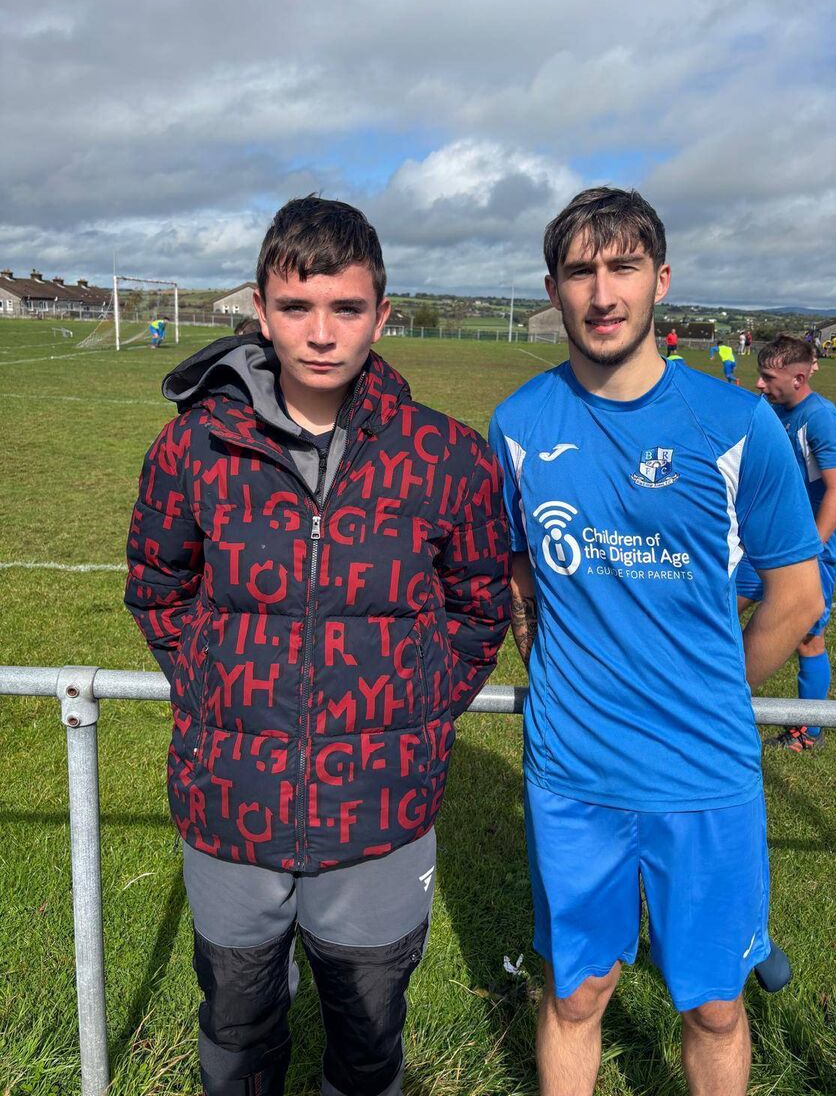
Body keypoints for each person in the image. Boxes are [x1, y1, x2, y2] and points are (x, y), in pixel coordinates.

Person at [125, 195, 510, 1096]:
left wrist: (409, 708)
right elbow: (157, 583)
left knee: (368, 1049)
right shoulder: (192, 450)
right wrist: (220, 686)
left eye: (345, 308)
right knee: (235, 1037)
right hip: (232, 809)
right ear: (261, 309)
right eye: (297, 308)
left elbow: (479, 606)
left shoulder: (446, 458)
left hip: (380, 815)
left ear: (382, 311)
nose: (322, 333)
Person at [488, 187, 824, 1096]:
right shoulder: (518, 426)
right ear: (554, 289)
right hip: (574, 779)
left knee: (714, 1002)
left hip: (703, 774)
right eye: (581, 271)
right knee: (577, 993)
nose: (603, 292)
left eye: (623, 267)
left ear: (660, 280)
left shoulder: (737, 426)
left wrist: (714, 686)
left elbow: (795, 597)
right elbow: (520, 584)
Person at [734, 335, 836, 751]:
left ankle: (808, 730)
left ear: (799, 378)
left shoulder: (818, 418)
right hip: (763, 539)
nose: (761, 384)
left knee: (807, 637)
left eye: (769, 377)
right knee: (723, 608)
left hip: (805, 547)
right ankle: (714, 703)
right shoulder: (775, 410)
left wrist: (811, 548)